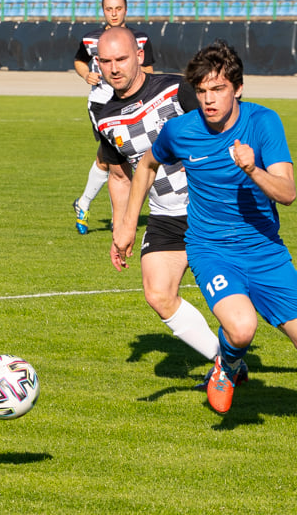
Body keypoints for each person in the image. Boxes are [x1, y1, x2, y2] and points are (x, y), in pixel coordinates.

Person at [114, 40, 297, 429]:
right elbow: (145, 166)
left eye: (218, 89)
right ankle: (226, 367)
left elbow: (288, 193)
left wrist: (252, 169)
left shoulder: (264, 123)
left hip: (265, 251)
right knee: (242, 327)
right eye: (202, 91)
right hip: (211, 249)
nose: (209, 100)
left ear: (238, 88)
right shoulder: (180, 130)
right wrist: (128, 224)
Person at [93, 27, 232, 381]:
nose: (114, 68)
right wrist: (120, 228)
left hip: (210, 211)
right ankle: (227, 364)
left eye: (121, 59)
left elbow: (224, 129)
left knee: (241, 305)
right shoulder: (103, 114)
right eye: (105, 61)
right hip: (165, 216)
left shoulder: (177, 89)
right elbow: (121, 176)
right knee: (158, 294)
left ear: (139, 55)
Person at [72, 0, 156, 234]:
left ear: (126, 10)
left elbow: (149, 71)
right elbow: (79, 60)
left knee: (106, 159)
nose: (114, 13)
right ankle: (119, 222)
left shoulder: (139, 39)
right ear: (103, 11)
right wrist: (86, 73)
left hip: (131, 106)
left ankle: (84, 203)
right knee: (119, 164)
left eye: (118, 8)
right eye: (109, 9)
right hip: (101, 106)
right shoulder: (91, 39)